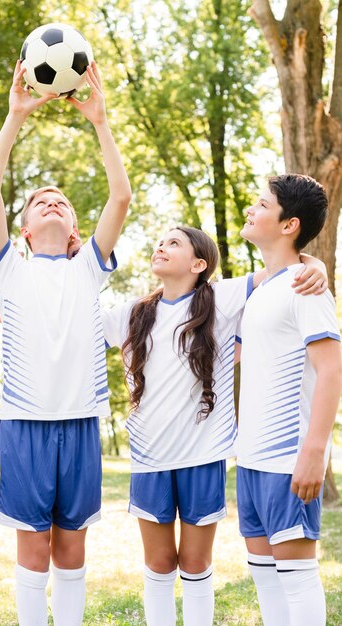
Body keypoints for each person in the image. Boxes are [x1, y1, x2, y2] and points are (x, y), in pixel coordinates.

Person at [100, 224, 327, 626]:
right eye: (160, 239)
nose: (161, 245)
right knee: (158, 564)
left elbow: (283, 269)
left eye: (174, 242)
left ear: (198, 263)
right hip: (149, 458)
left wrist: (317, 265)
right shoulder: (133, 313)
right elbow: (73, 317)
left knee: (195, 562)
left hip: (204, 456)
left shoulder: (221, 299)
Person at [0, 60, 131, 626]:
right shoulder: (9, 271)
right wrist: (16, 114)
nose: (50, 202)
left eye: (61, 202)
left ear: (74, 230)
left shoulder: (88, 268)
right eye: (38, 200)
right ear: (21, 230)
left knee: (70, 546)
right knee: (33, 546)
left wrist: (100, 122)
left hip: (81, 422)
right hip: (23, 424)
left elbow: (120, 196)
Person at [236, 174, 341, 626]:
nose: (251, 210)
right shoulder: (262, 289)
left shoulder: (305, 285)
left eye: (262, 204)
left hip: (287, 460)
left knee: (296, 581)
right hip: (251, 460)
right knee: (265, 579)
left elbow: (332, 367)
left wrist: (315, 451)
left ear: (288, 224)